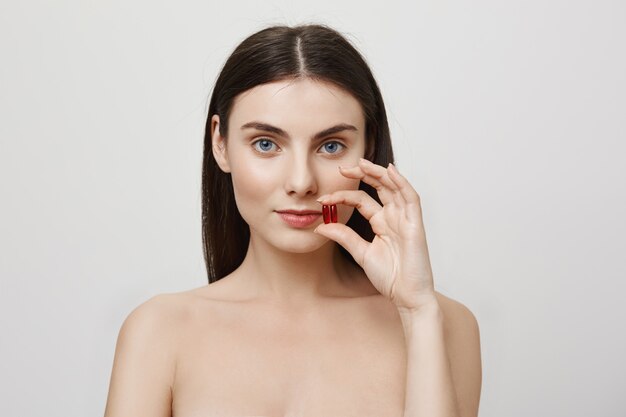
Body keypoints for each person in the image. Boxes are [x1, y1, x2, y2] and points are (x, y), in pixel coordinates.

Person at [104, 23, 482, 417]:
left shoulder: (442, 323)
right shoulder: (159, 332)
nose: (301, 182)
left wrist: (417, 313)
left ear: (367, 147)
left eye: (331, 146)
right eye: (266, 144)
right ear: (221, 144)